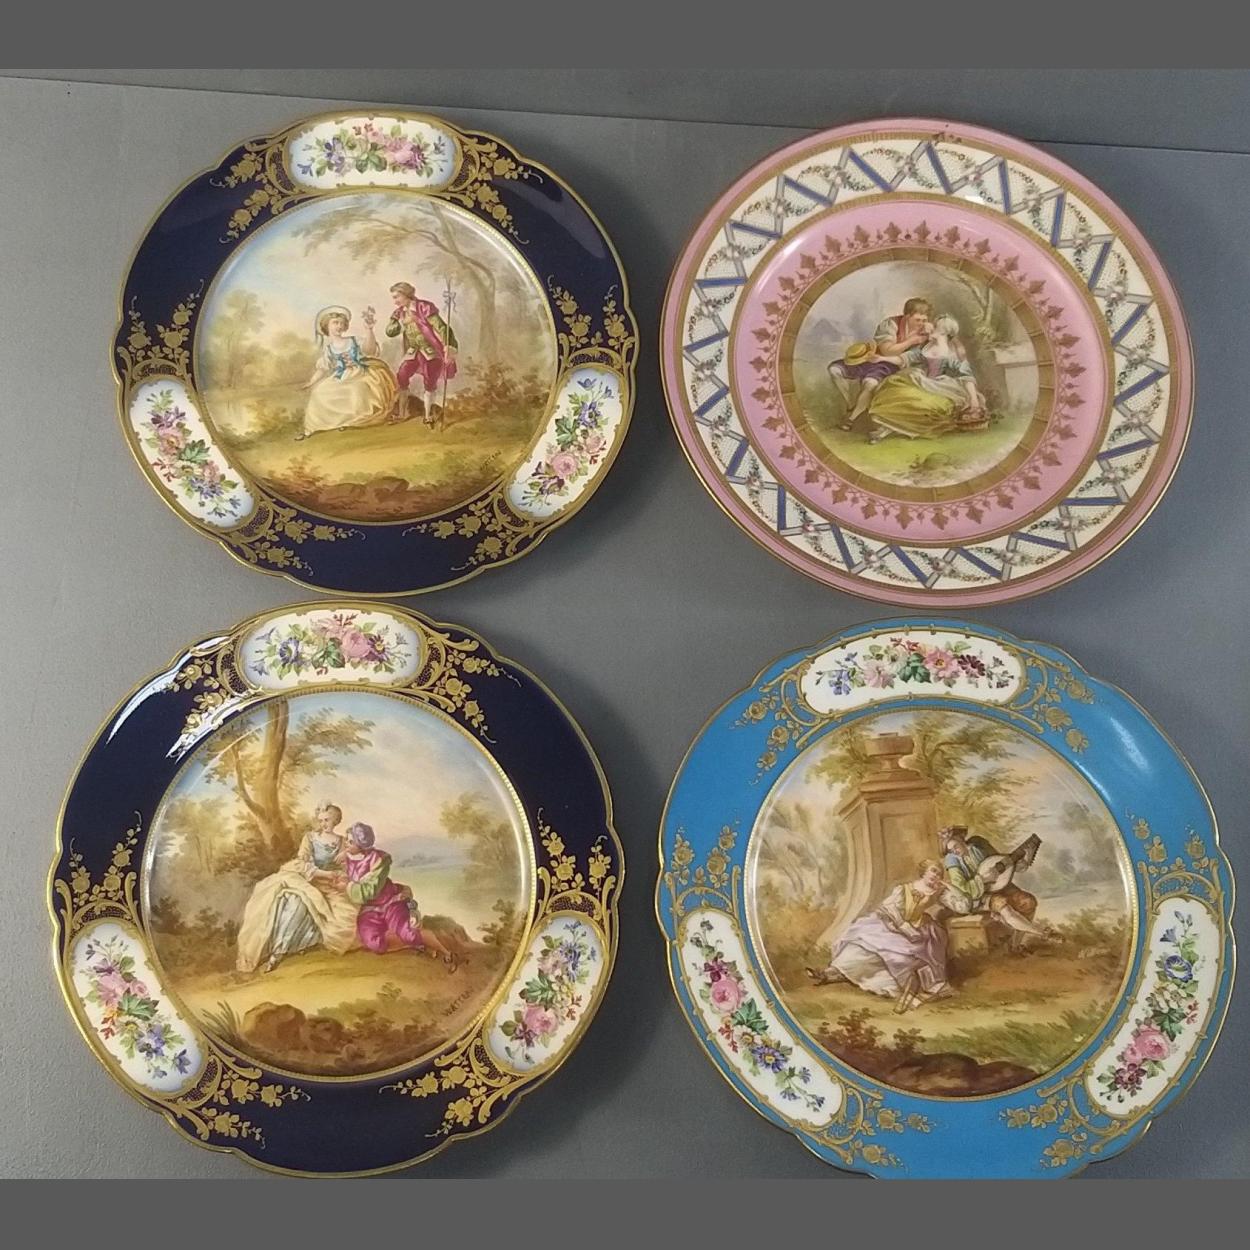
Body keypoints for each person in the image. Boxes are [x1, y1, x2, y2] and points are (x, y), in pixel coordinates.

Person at [805, 859, 953, 1013]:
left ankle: (900, 990)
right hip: (894, 926)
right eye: (933, 870)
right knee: (861, 945)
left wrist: (948, 889)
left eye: (939, 873)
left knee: (897, 959)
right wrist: (899, 924)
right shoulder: (904, 889)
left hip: (919, 933)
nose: (936, 875)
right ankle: (828, 974)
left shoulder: (939, 893)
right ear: (924, 871)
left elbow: (959, 903)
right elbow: (890, 909)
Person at [235, 802, 360, 974]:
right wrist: (322, 874)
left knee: (340, 917)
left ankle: (301, 943)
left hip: (331, 885)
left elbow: (345, 869)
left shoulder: (342, 842)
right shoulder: (310, 838)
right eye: (321, 820)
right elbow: (302, 862)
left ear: (336, 821)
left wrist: (338, 875)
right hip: (309, 880)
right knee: (295, 902)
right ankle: (277, 952)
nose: (323, 824)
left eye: (327, 820)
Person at [343, 822, 459, 971]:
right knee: (375, 944)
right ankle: (416, 944)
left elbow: (370, 891)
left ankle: (447, 953)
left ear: (361, 845)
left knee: (409, 934)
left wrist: (347, 886)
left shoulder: (379, 860)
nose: (345, 844)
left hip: (390, 901)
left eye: (350, 841)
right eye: (346, 840)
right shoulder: (345, 859)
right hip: (369, 909)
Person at [863, 313, 988, 443]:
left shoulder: (952, 353)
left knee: (924, 406)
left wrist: (974, 401)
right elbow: (904, 359)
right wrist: (881, 358)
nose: (929, 327)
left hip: (943, 388)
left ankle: (887, 431)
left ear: (943, 331)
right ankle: (884, 430)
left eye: (935, 327)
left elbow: (967, 377)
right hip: (920, 381)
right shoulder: (925, 347)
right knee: (894, 393)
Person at [828, 297, 933, 430]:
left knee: (870, 383)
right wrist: (911, 341)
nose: (921, 324)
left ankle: (851, 419)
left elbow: (903, 358)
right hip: (870, 357)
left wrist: (922, 336)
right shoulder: (891, 324)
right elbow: (887, 350)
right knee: (834, 370)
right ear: (907, 317)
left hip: (889, 365)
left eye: (924, 320)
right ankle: (850, 403)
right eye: (917, 320)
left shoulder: (927, 333)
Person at [298, 306, 399, 439]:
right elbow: (322, 369)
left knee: (357, 389)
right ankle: (319, 426)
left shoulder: (353, 340)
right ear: (326, 326)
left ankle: (354, 421)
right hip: (341, 376)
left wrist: (369, 330)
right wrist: (311, 382)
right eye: (335, 323)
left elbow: (370, 351)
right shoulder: (329, 349)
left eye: (341, 323)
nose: (339, 326)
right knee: (319, 392)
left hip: (361, 373)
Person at [939, 826, 1049, 946]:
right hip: (978, 895)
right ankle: (1041, 933)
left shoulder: (978, 844)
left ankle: (1015, 945)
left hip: (999, 884)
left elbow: (1000, 863)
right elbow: (962, 888)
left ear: (961, 839)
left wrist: (1018, 863)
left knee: (1028, 901)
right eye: (951, 850)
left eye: (956, 846)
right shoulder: (952, 860)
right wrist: (982, 879)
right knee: (1004, 906)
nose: (954, 851)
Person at [385, 281, 458, 427]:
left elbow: (442, 327)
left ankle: (428, 416)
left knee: (430, 382)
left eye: (397, 297)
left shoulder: (424, 307)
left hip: (430, 352)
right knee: (402, 376)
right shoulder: (401, 312)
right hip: (413, 352)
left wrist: (448, 345)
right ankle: (402, 413)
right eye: (393, 298)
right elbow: (391, 332)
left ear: (406, 294)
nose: (395, 301)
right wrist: (394, 320)